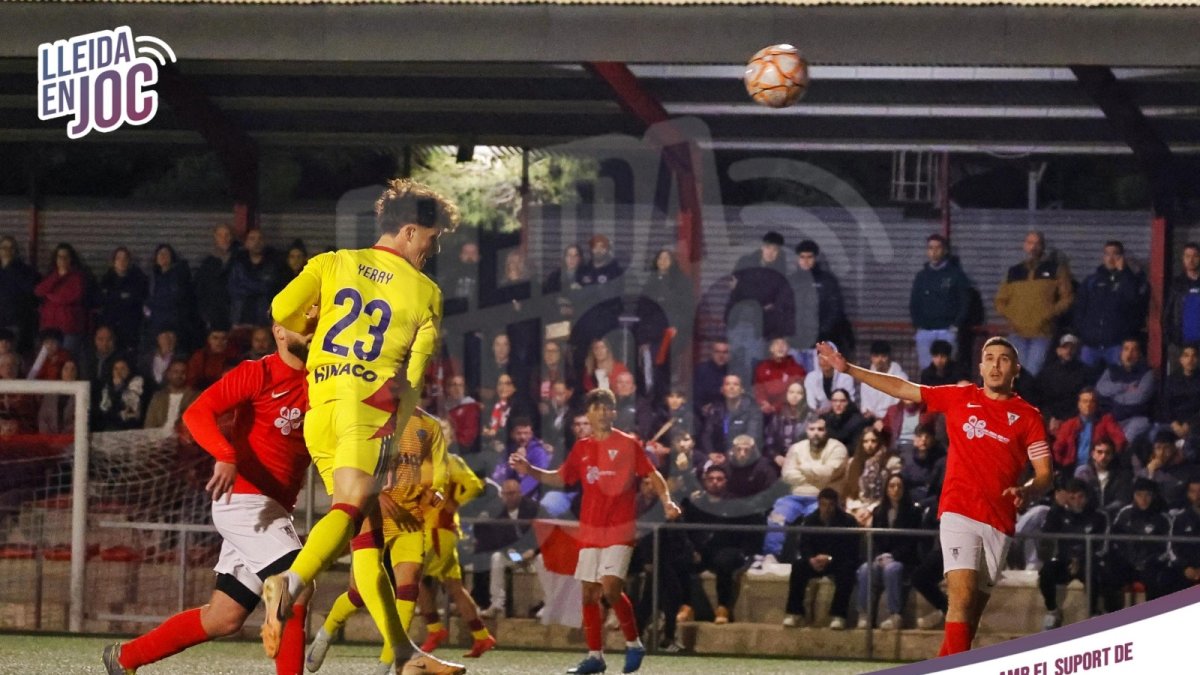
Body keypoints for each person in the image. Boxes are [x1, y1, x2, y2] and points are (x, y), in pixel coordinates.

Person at [263, 178, 464, 675]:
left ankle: (403, 654)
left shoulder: (332, 263)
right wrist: (396, 430)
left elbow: (282, 311)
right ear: (410, 231)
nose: (433, 249)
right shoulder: (426, 292)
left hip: (321, 406)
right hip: (369, 414)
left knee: (366, 540)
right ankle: (288, 583)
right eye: (432, 238)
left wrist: (312, 328)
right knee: (350, 510)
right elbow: (414, 378)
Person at [815, 336, 1052, 656]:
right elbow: (902, 388)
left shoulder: (1028, 415)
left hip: (999, 519)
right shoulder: (960, 396)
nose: (996, 365)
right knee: (961, 599)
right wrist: (849, 369)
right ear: (980, 367)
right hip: (959, 510)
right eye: (990, 358)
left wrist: (1027, 489)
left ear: (1016, 370)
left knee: (969, 618)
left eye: (1004, 359)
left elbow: (1045, 474)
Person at [102, 322, 314, 675]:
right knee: (298, 584)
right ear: (279, 332)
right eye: (303, 324)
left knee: (224, 617)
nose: (312, 330)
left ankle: (125, 658)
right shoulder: (258, 372)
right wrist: (225, 455)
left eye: (316, 323)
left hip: (272, 510)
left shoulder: (322, 381)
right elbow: (196, 413)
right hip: (244, 501)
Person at [510, 388, 681, 675]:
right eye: (596, 408)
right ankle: (595, 657)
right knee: (589, 594)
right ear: (588, 414)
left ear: (614, 412)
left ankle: (634, 643)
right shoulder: (582, 448)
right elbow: (561, 478)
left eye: (606, 408)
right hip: (590, 530)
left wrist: (667, 501)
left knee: (611, 588)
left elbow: (653, 474)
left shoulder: (627, 444)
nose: (601, 412)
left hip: (619, 529)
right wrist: (530, 470)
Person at [305, 408, 450, 674]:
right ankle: (327, 631)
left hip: (410, 518)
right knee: (359, 594)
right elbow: (356, 463)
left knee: (409, 588)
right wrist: (375, 494)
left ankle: (387, 666)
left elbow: (440, 469)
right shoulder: (370, 418)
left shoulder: (429, 425)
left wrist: (437, 490)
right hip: (372, 513)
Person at [412, 449, 496, 658]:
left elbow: (475, 485)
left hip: (438, 531)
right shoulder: (417, 463)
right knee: (454, 587)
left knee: (413, 578)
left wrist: (456, 503)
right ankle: (481, 635)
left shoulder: (449, 461)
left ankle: (434, 629)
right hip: (432, 531)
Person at [757, 414, 849, 568]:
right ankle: (771, 555)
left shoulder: (837, 448)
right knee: (776, 516)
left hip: (823, 497)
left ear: (827, 431)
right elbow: (788, 475)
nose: (816, 433)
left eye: (820, 429)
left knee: (815, 519)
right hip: (795, 496)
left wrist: (801, 467)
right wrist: (816, 475)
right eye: (812, 429)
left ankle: (807, 557)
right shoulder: (796, 448)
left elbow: (828, 473)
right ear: (806, 430)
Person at [1038, 479, 1116, 630]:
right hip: (1064, 561)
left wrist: (1080, 559)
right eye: (1072, 498)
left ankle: (1094, 613)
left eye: (1080, 497)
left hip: (1088, 560)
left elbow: (1104, 546)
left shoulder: (1099, 516)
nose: (1077, 502)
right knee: (1046, 571)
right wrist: (1056, 507)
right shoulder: (1059, 513)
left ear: (1087, 496)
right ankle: (1052, 611)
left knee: (1095, 572)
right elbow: (1046, 535)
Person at [994, 231, 1074, 377]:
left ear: (1043, 247)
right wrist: (1014, 317)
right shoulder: (1014, 272)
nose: (1033, 247)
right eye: (1030, 243)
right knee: (1017, 374)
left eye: (1037, 243)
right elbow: (1000, 301)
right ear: (1024, 246)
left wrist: (1049, 314)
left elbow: (1067, 298)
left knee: (1033, 372)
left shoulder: (1056, 270)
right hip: (1017, 333)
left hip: (1042, 333)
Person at [782, 487, 859, 629]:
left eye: (830, 505)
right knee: (798, 566)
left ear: (836, 505)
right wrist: (811, 559)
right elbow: (804, 545)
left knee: (847, 570)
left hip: (838, 561)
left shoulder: (848, 521)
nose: (827, 509)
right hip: (816, 562)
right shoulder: (810, 520)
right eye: (823, 504)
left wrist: (830, 558)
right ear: (818, 504)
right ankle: (794, 612)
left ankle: (839, 615)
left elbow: (851, 549)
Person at [856, 473, 922, 630]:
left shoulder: (913, 512)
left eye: (899, 486)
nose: (896, 489)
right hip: (882, 557)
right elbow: (876, 539)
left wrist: (893, 556)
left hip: (903, 559)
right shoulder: (879, 511)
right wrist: (880, 556)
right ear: (886, 489)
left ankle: (895, 615)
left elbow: (912, 541)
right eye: (892, 486)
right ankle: (865, 614)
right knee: (865, 569)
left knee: (892, 569)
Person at [1075, 241, 1148, 369]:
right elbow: (1080, 308)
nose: (1111, 258)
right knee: (1086, 377)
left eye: (1115, 254)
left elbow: (1133, 299)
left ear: (1122, 257)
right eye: (1107, 254)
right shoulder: (1092, 280)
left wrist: (1124, 271)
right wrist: (1084, 332)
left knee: (1117, 376)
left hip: (1116, 344)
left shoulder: (1130, 279)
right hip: (1091, 343)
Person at [910, 234, 971, 370]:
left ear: (945, 250)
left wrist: (955, 325)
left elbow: (965, 301)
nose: (934, 251)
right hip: (925, 331)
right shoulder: (922, 276)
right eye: (930, 248)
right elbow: (914, 302)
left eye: (938, 248)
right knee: (926, 370)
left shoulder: (956, 275)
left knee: (948, 370)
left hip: (947, 331)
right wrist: (918, 324)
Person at [1051, 388, 1127, 476]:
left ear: (1096, 405)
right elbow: (1057, 449)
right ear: (1079, 404)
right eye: (1085, 401)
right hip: (1072, 470)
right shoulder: (1068, 425)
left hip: (1098, 469)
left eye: (1092, 401)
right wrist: (1062, 467)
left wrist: (1109, 460)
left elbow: (1120, 440)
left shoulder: (1106, 420)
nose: (1088, 405)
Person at [1166, 242, 1200, 351]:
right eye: (1187, 256)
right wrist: (1169, 340)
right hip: (1180, 343)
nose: (1191, 260)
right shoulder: (1176, 284)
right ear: (1183, 259)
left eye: (1195, 256)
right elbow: (1167, 314)